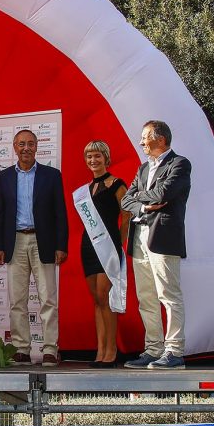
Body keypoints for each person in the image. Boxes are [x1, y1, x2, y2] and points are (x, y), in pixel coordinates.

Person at [121, 120, 191, 370]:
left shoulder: (179, 164)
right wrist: (143, 205)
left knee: (168, 295)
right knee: (146, 297)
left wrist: (142, 197)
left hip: (162, 236)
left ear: (160, 139)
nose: (141, 142)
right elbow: (126, 200)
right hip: (139, 236)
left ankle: (174, 351)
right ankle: (153, 349)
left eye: (145, 137)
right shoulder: (142, 169)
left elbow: (164, 194)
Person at [0, 130, 68, 367]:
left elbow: (60, 213)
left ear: (37, 147)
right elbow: (1, 214)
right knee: (17, 300)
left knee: (48, 298)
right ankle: (21, 348)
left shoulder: (52, 175)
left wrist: (61, 245)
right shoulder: (4, 176)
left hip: (43, 242)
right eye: (21, 144)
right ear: (14, 147)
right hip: (15, 242)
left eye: (31, 144)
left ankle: (49, 348)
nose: (26, 148)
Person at [73, 140, 129, 368]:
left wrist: (121, 245)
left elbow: (126, 216)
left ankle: (111, 351)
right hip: (88, 247)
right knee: (96, 299)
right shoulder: (84, 191)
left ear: (106, 157)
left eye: (97, 156)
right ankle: (100, 350)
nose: (93, 160)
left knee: (105, 295)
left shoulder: (117, 184)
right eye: (89, 157)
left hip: (109, 247)